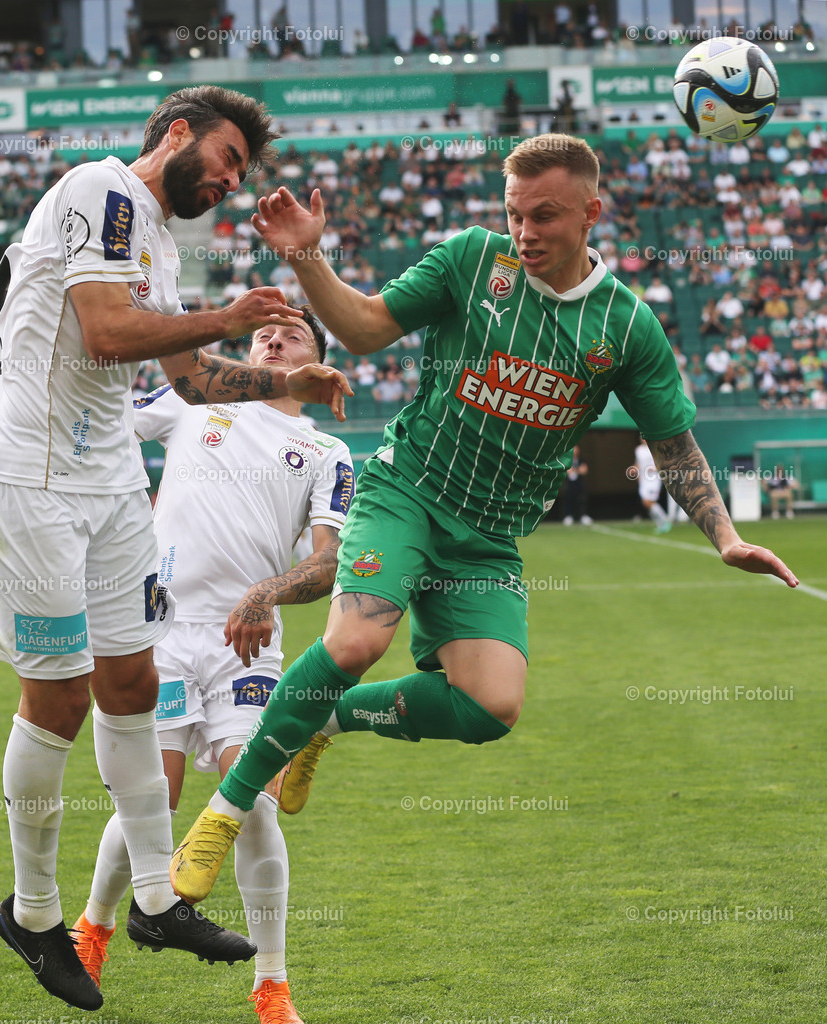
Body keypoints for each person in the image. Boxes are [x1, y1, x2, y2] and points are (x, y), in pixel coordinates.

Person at [169, 134, 798, 910]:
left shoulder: (626, 327)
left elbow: (671, 443)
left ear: (592, 213)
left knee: (490, 707)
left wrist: (727, 535)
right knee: (358, 639)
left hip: (488, 536)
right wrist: (307, 258)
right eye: (514, 215)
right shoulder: (472, 261)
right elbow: (364, 328)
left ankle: (326, 719)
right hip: (407, 491)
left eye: (545, 216)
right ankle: (225, 810)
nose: (525, 232)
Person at [0, 85, 350, 1012]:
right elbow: (104, 333)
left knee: (127, 685)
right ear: (177, 133)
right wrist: (226, 316)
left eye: (241, 173)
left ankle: (157, 900)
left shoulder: (157, 245)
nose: (228, 181)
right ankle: (38, 915)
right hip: (34, 484)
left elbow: (190, 378)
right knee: (55, 695)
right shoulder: (101, 189)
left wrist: (285, 374)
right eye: (225, 160)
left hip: (107, 490)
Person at [72, 309, 353, 1022]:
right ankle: (93, 930)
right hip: (160, 630)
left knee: (254, 801)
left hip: (246, 643)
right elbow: (99, 425)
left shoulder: (324, 451)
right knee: (149, 803)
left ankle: (272, 984)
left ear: (316, 360)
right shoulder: (192, 398)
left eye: (293, 334)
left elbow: (328, 561)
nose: (274, 336)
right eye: (265, 332)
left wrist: (265, 593)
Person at [630, 437, 670, 533]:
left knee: (649, 501)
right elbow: (638, 463)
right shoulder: (638, 450)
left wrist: (655, 469)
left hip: (653, 479)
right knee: (645, 503)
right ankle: (660, 524)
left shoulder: (655, 448)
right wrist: (634, 469)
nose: (642, 438)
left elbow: (662, 463)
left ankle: (665, 519)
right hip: (643, 480)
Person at [561, 445, 592, 526]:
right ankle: (569, 516)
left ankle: (583, 516)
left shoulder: (581, 460)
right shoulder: (567, 460)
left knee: (581, 500)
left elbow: (584, 470)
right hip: (569, 485)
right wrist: (578, 470)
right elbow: (567, 471)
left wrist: (575, 470)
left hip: (579, 484)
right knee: (569, 499)